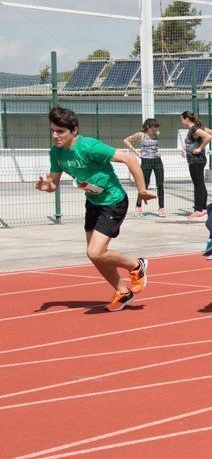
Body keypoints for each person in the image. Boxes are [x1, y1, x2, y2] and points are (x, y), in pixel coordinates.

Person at [36, 106, 154, 311]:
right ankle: (122, 291)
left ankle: (136, 264)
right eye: (52, 131)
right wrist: (47, 187)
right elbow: (53, 184)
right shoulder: (55, 151)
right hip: (93, 203)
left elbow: (130, 159)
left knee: (95, 252)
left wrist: (142, 190)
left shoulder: (89, 147)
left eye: (60, 131)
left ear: (73, 131)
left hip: (113, 201)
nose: (55, 136)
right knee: (96, 255)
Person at [123, 118, 166, 217]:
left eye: (156, 127)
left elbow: (155, 145)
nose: (155, 129)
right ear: (147, 126)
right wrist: (136, 151)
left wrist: (157, 151)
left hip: (157, 160)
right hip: (146, 161)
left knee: (160, 184)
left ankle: (161, 207)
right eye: (153, 127)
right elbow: (126, 140)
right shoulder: (141, 135)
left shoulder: (157, 133)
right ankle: (138, 206)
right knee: (144, 185)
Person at [182, 110, 212, 219]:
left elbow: (208, 137)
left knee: (197, 184)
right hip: (198, 159)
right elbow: (211, 132)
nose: (181, 121)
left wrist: (199, 148)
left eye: (182, 118)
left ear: (186, 118)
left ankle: (198, 209)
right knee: (200, 183)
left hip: (196, 160)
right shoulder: (196, 128)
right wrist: (192, 146)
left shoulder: (194, 128)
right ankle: (203, 208)